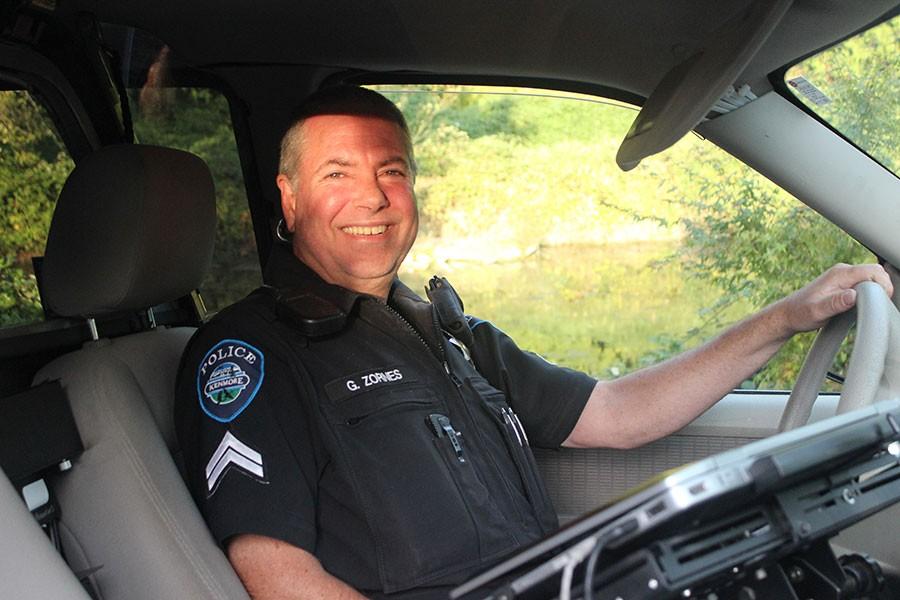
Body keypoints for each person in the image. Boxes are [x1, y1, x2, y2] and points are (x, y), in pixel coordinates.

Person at [174, 86, 893, 600]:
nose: (373, 198)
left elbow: (615, 413)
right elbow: (274, 572)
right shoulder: (248, 354)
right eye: (338, 175)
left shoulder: (447, 331)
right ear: (289, 197)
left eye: (391, 172)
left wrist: (783, 318)